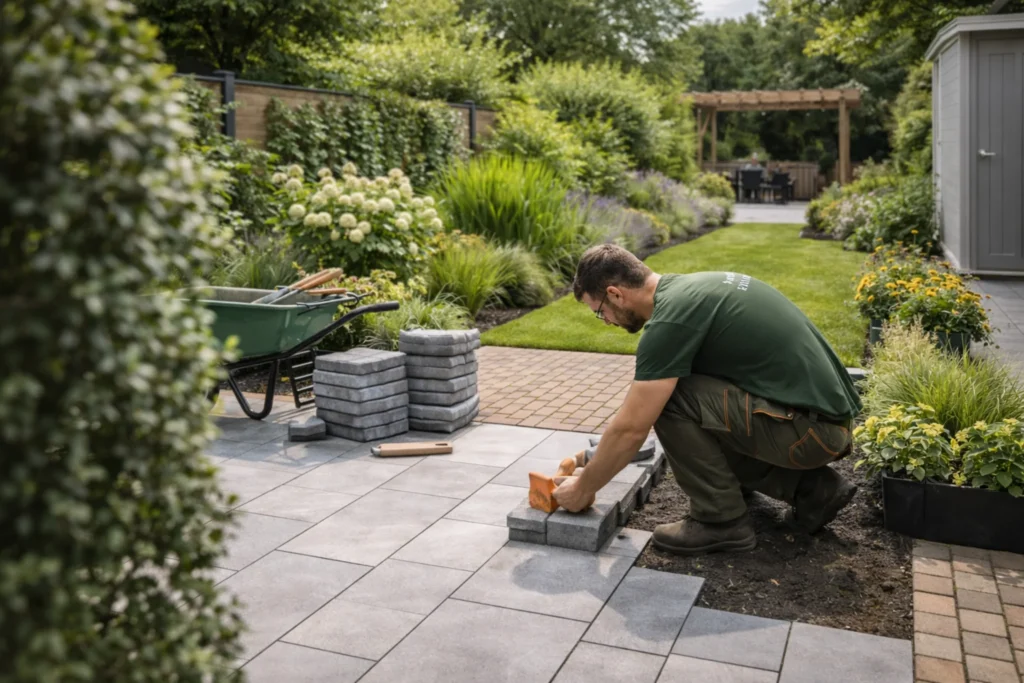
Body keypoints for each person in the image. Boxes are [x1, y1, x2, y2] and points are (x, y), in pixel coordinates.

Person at [552, 244, 862, 555]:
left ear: (615, 294)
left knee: (672, 400)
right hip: (822, 422)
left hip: (811, 432)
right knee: (693, 400)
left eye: (599, 311)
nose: (604, 320)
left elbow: (632, 428)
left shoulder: (671, 321)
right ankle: (813, 491)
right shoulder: (690, 289)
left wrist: (584, 487)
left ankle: (720, 522)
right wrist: (595, 464)